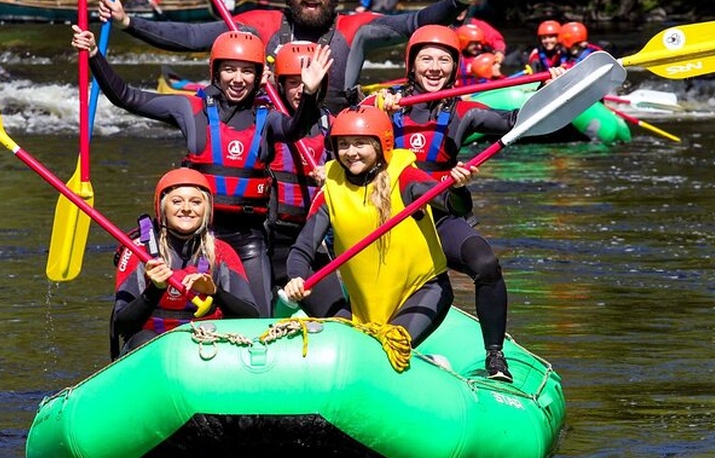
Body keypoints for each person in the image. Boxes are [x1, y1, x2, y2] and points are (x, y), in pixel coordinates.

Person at [72, 27, 330, 317]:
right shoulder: (190, 108)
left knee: (257, 314)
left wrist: (308, 93)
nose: (237, 79)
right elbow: (126, 97)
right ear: (215, 72)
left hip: (249, 238)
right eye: (229, 69)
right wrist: (95, 55)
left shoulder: (268, 118)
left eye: (247, 71)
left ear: (258, 77)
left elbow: (295, 128)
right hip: (197, 235)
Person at [97, 0, 499, 113]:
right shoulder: (261, 25)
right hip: (275, 156)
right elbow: (191, 37)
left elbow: (413, 23)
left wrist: (458, 2)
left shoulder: (357, 30)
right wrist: (128, 21)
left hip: (338, 159)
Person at [376, 25, 567, 381]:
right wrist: (373, 103)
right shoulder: (386, 106)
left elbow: (520, 123)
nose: (435, 67)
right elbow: (342, 130)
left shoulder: (464, 111)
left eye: (444, 60)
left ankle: (495, 357)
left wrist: (551, 88)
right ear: (412, 65)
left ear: (454, 67)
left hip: (440, 211)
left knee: (486, 264)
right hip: (390, 215)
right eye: (426, 59)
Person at [282, 105, 479, 351]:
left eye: (360, 143)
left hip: (423, 290)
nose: (350, 152)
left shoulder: (405, 178)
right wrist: (295, 278)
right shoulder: (332, 187)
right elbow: (303, 247)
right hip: (366, 307)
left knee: (389, 347)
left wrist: (459, 188)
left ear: (380, 145)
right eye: (343, 144)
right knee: (367, 347)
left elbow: (454, 205)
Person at [111, 168, 259, 358]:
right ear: (163, 207)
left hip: (205, 348)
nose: (187, 208)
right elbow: (121, 324)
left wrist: (216, 293)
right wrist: (155, 289)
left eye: (196, 202)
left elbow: (251, 317)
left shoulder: (221, 252)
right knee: (145, 339)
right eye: (177, 201)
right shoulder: (138, 251)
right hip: (150, 351)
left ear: (207, 209)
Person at [266, 41, 348, 317]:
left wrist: (337, 172)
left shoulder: (335, 126)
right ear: (279, 85)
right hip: (269, 240)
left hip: (311, 240)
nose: (301, 89)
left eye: (307, 82)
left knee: (341, 317)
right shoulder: (264, 122)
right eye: (292, 83)